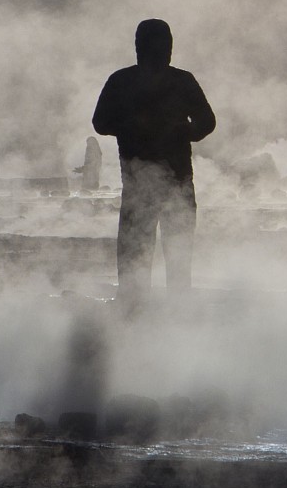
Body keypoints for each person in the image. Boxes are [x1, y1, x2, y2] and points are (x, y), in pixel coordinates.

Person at [91, 19, 216, 297]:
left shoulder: (128, 81)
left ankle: (142, 311)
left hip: (166, 183)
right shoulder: (167, 81)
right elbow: (100, 123)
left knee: (158, 255)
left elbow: (206, 122)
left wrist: (182, 131)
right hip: (159, 183)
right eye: (157, 44)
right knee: (157, 256)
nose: (161, 50)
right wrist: (178, 131)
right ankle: (147, 311)